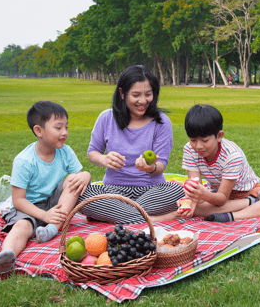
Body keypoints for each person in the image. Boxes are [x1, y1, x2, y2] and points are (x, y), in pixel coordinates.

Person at [76, 64, 184, 224]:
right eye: (136, 95)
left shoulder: (161, 122)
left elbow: (161, 166)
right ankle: (154, 219)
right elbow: (93, 153)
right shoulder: (106, 118)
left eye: (148, 94)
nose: (143, 101)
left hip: (151, 191)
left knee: (176, 190)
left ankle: (116, 215)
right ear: (122, 93)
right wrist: (103, 159)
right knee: (81, 194)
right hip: (113, 190)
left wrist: (150, 168)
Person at [0, 101, 91, 273]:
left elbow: (78, 177)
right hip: (28, 208)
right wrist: (44, 215)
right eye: (58, 128)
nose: (65, 133)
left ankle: (53, 228)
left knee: (74, 178)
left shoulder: (66, 152)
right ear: (38, 130)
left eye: (66, 127)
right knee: (21, 228)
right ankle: (6, 258)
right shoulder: (24, 161)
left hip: (55, 204)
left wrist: (86, 175)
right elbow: (18, 200)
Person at [178, 104, 260, 222]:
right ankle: (249, 204)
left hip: (249, 192)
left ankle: (233, 215)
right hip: (216, 194)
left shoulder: (232, 155)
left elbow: (222, 199)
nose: (198, 146)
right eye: (193, 140)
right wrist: (192, 200)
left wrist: (203, 196)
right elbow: (196, 187)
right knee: (186, 206)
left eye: (205, 140)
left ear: (219, 136)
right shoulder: (189, 149)